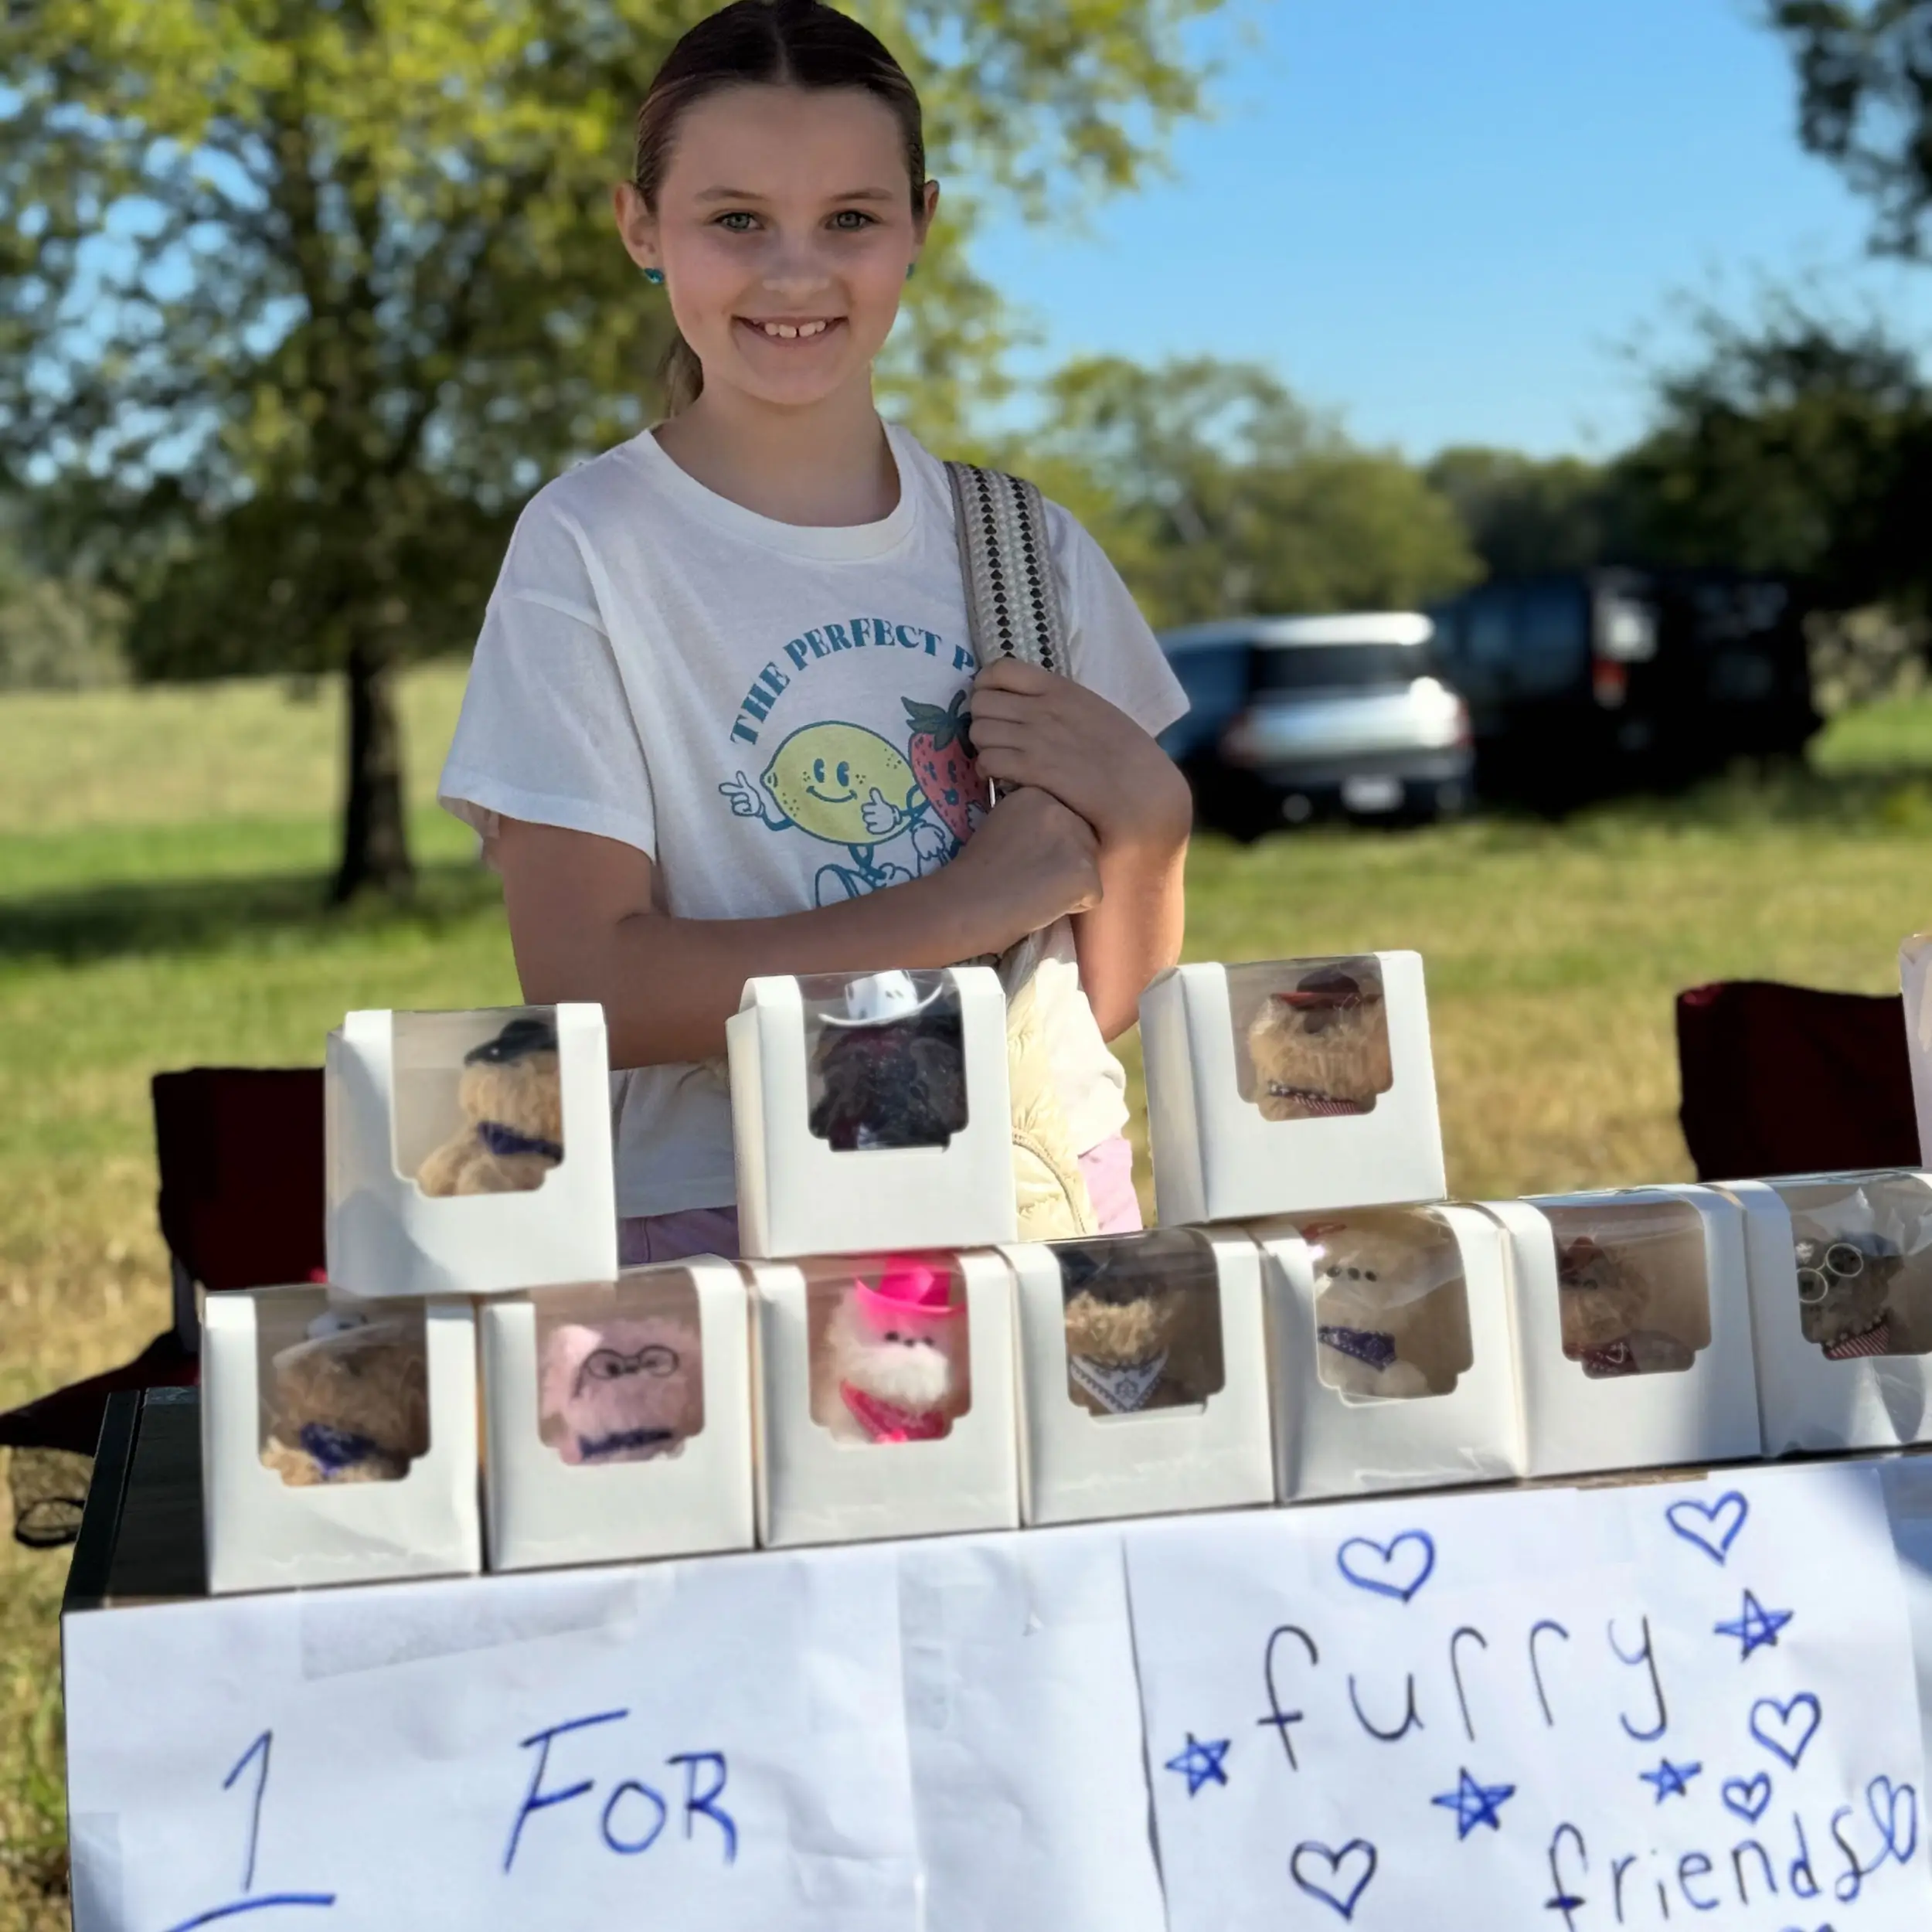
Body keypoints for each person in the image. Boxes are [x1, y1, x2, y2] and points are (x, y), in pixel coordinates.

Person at [438, 0, 1191, 1264]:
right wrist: (956, 911)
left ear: (921, 227)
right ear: (641, 229)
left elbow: (1094, 1005)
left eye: (851, 219)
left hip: (1039, 1199)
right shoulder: (592, 547)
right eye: (736, 220)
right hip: (734, 1227)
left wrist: (1155, 829)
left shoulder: (1024, 548)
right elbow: (590, 990)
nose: (796, 274)